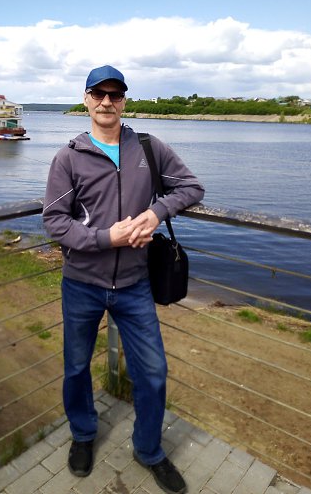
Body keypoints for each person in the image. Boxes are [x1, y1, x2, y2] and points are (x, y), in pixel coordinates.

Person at [43, 65, 205, 494]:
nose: (106, 102)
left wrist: (156, 212)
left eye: (115, 95)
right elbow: (55, 221)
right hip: (81, 284)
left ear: (124, 101)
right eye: (99, 94)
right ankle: (83, 435)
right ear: (86, 100)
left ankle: (148, 450)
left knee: (153, 372)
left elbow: (190, 187)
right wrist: (105, 238)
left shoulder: (148, 148)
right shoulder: (68, 157)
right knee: (76, 367)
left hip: (135, 285)